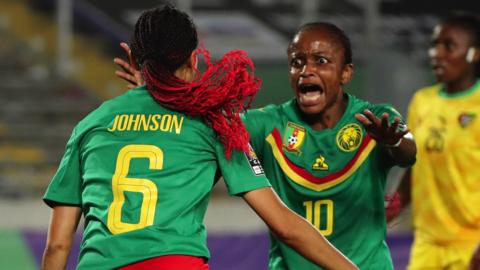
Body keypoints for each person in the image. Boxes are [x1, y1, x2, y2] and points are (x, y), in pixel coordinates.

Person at [41, 6, 359, 270]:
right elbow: (285, 226)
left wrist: (146, 93)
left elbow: (57, 245)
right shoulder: (212, 121)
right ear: (194, 59)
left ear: (136, 62)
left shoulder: (90, 125)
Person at [114, 21, 417, 269]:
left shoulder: (374, 119)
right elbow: (205, 126)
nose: (306, 70)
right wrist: (155, 91)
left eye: (321, 61)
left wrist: (394, 141)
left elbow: (408, 152)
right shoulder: (267, 124)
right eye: (297, 62)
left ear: (346, 73)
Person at [393, 13, 480, 270]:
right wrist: (390, 208)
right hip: (427, 243)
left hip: (471, 245)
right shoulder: (422, 101)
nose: (436, 53)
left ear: (474, 54)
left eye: (448, 46)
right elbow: (415, 167)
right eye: (434, 44)